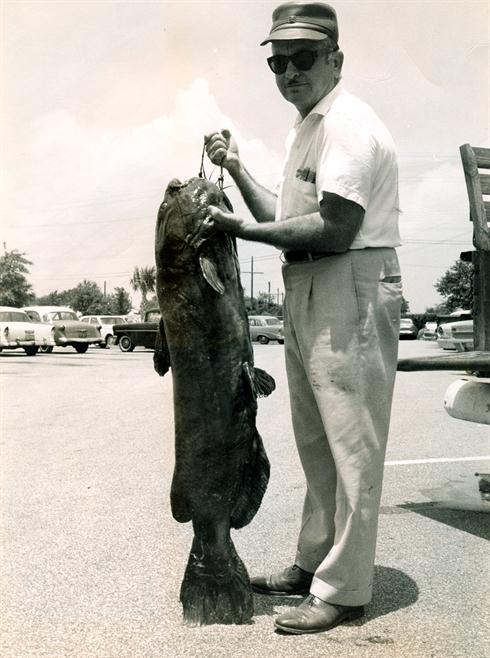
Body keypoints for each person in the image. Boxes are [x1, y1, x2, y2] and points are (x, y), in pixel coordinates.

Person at [205, 0, 402, 635]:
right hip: (309, 280)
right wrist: (235, 172)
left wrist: (244, 230)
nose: (290, 71)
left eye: (305, 58)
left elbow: (336, 227)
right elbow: (283, 214)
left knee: (351, 443)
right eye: (278, 61)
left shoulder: (347, 124)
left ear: (336, 59)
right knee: (315, 439)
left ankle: (344, 588)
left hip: (348, 278)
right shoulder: (308, 127)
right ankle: (314, 560)